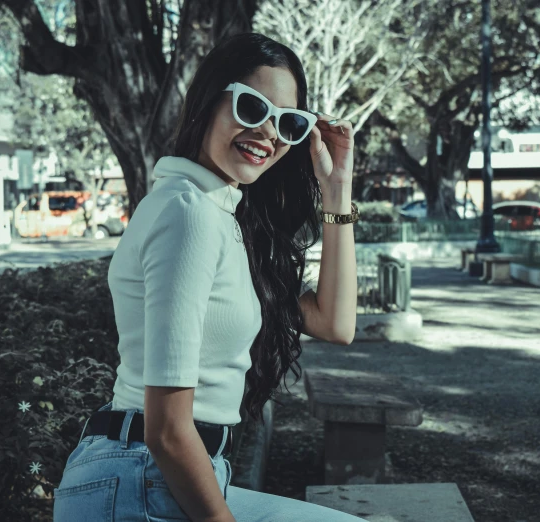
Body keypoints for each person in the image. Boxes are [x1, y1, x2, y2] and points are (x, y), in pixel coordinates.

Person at [52, 33, 364, 522]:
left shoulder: (222, 217)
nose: (268, 133)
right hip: (141, 478)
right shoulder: (188, 213)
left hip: (165, 475)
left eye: (288, 122)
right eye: (250, 107)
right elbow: (168, 429)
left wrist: (337, 190)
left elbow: (335, 324)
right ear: (208, 100)